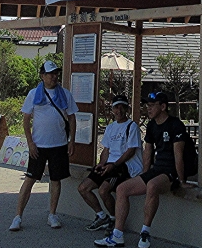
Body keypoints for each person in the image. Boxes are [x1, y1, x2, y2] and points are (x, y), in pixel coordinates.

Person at [95, 91, 187, 248]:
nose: (148, 109)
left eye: (152, 106)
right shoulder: (151, 125)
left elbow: (179, 155)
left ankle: (145, 232)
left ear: (163, 107)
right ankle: (117, 235)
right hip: (156, 169)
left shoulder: (175, 124)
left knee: (152, 185)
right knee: (121, 189)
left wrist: (183, 181)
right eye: (147, 106)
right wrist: (143, 174)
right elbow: (147, 152)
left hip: (170, 172)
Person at [9, 60, 77, 231]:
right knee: (30, 179)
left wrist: (72, 141)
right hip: (38, 145)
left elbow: (72, 118)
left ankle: (52, 214)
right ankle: (18, 216)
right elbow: (26, 120)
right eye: (50, 73)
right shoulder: (33, 94)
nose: (54, 77)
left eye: (56, 73)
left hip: (59, 144)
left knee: (56, 179)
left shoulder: (66, 94)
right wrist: (30, 142)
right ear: (42, 76)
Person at [79, 97, 143, 231]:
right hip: (110, 164)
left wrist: (113, 165)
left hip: (124, 166)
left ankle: (114, 219)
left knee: (103, 190)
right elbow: (106, 150)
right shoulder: (110, 127)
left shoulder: (132, 126)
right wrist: (101, 164)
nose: (118, 110)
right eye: (116, 107)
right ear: (112, 110)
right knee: (83, 188)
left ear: (126, 109)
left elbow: (130, 151)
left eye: (122, 107)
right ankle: (101, 216)